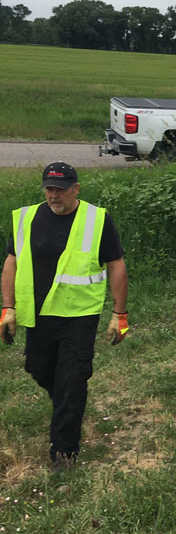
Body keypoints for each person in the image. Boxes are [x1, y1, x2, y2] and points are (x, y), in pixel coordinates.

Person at [0, 162, 129, 474]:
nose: (53, 194)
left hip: (79, 315)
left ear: (76, 188)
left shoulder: (97, 219)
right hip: (39, 315)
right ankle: (68, 406)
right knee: (38, 368)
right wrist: (8, 307)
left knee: (72, 379)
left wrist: (120, 314)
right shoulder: (26, 217)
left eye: (60, 188)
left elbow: (116, 266)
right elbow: (11, 264)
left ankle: (64, 453)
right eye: (49, 188)